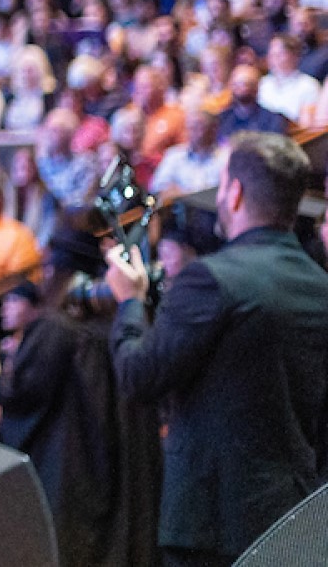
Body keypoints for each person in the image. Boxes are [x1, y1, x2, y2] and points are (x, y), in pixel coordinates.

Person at [107, 132, 328, 566]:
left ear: (235, 192)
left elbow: (138, 377)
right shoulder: (321, 287)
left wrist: (129, 302)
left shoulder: (210, 279)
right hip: (294, 519)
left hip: (212, 526)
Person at [0, 282, 117, 567]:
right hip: (78, 450)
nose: (5, 308)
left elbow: (26, 391)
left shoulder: (53, 331)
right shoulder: (66, 330)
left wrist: (0, 384)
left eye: (13, 301)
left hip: (66, 452)